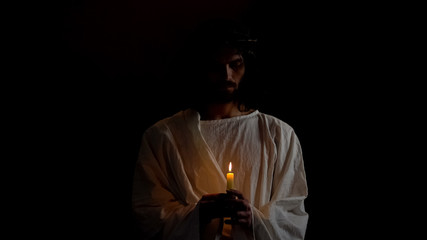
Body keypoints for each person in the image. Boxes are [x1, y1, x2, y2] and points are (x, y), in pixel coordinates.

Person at [131, 18, 309, 240]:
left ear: (247, 65)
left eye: (235, 65)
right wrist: (198, 216)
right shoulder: (163, 137)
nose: (226, 75)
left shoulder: (279, 135)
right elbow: (148, 215)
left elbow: (291, 216)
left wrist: (254, 220)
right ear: (200, 68)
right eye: (216, 66)